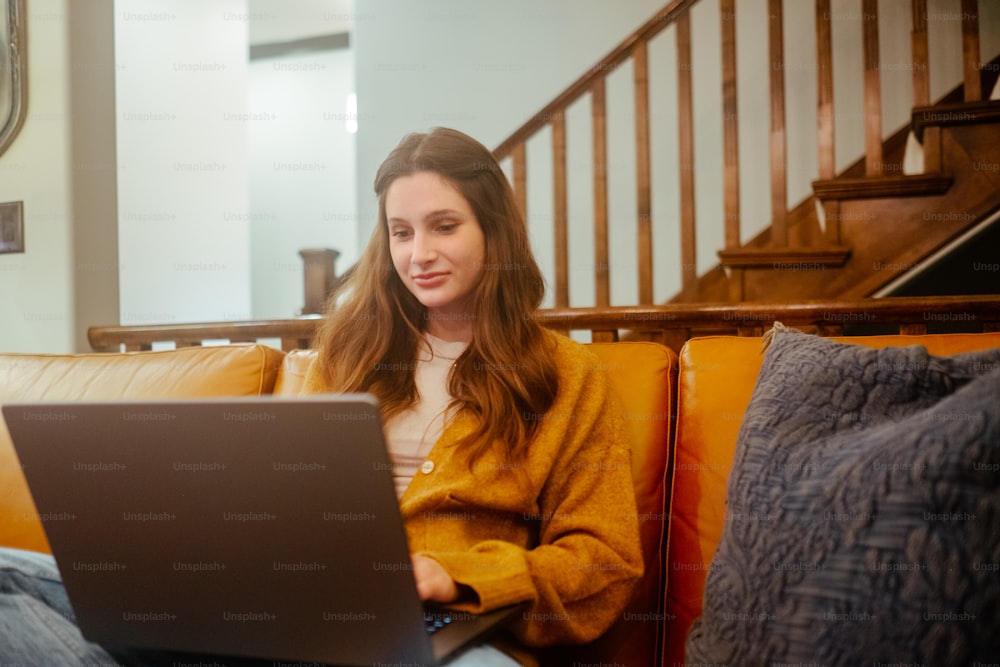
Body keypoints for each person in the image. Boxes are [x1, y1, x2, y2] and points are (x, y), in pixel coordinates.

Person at [0, 127, 642, 667]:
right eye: (401, 232)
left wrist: (463, 577)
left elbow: (604, 562)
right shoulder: (348, 352)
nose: (419, 254)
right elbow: (275, 500)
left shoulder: (566, 375)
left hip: (439, 626)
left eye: (444, 226)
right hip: (295, 607)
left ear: (493, 232)